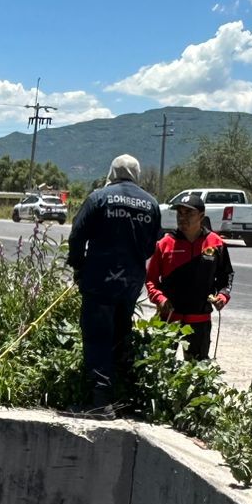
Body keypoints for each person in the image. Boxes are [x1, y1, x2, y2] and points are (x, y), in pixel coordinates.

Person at [65, 154, 161, 414]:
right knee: (120, 334)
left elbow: (77, 236)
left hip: (99, 280)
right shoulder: (151, 203)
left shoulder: (99, 198)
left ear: (112, 172)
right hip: (130, 284)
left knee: (97, 337)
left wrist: (79, 267)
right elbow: (151, 246)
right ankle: (123, 397)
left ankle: (100, 402)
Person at [145, 190, 233, 363]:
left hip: (199, 321)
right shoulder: (164, 244)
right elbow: (150, 279)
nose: (182, 218)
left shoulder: (216, 243)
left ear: (201, 216)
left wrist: (223, 296)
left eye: (189, 213)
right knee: (159, 367)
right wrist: (160, 299)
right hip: (168, 319)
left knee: (197, 370)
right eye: (179, 213)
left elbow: (226, 276)